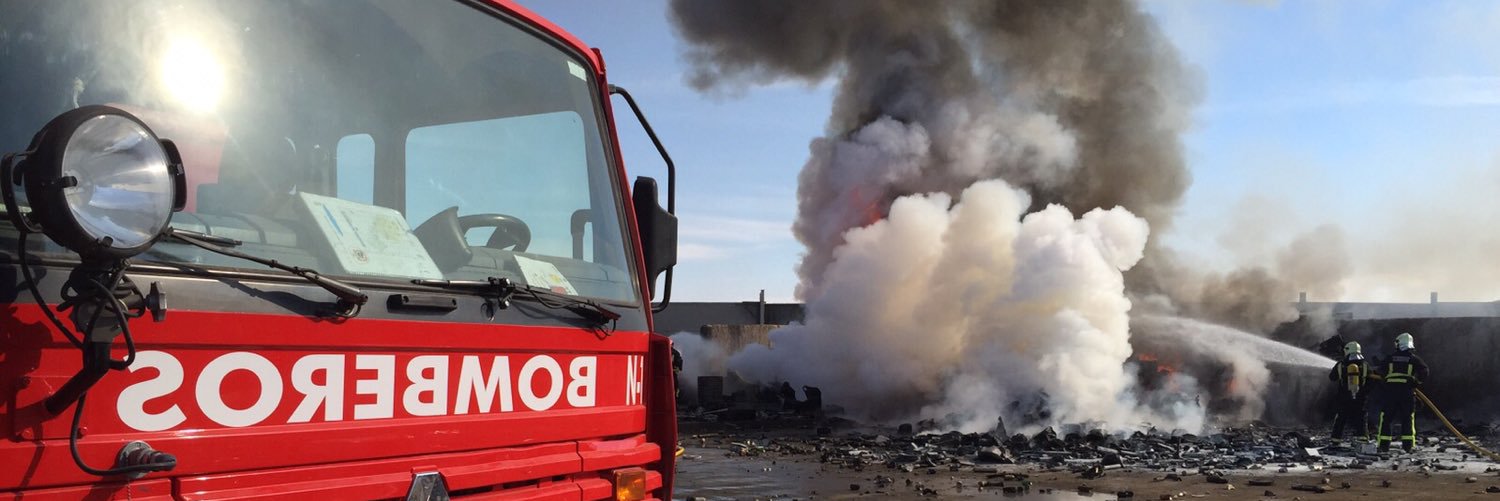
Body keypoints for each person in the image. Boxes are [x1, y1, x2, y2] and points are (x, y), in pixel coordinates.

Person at [1371, 332, 1429, 452]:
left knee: (1386, 419)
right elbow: (1425, 370)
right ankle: (1408, 446)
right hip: (1406, 392)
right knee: (1407, 418)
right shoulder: (1414, 359)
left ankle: (1384, 445)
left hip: (1390, 392)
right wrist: (1416, 382)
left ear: (1398, 344)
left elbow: (1380, 370)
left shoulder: (1390, 358)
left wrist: (1385, 379)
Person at [1327, 341, 1370, 443]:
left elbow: (1332, 377)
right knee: (1361, 417)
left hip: (1344, 397)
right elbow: (1371, 379)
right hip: (1360, 397)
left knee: (1341, 418)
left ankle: (1335, 440)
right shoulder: (1365, 364)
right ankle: (1363, 438)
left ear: (1347, 350)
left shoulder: (1340, 364)